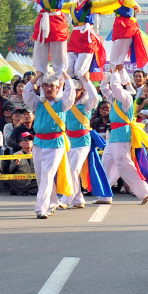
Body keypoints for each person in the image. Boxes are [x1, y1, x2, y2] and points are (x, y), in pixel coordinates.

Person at [23, 0, 100, 82]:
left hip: (57, 24)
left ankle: (60, 87)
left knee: (59, 61)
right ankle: (43, 89)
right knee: (39, 59)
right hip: (43, 22)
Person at [96, 69, 148, 205]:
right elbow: (105, 89)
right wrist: (107, 77)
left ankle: (145, 191)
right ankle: (105, 195)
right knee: (107, 163)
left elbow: (115, 87)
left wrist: (115, 72)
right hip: (113, 136)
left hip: (122, 135)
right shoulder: (116, 100)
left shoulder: (126, 98)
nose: (112, 86)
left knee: (123, 165)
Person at [22, 69, 75, 218]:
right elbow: (26, 90)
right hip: (39, 142)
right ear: (41, 87)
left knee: (47, 174)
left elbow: (70, 89)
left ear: (58, 87)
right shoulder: (37, 102)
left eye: (52, 85)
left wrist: (63, 72)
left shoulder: (62, 103)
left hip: (55, 142)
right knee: (41, 176)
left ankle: (40, 208)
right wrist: (39, 75)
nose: (49, 88)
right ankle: (52, 202)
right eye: (45, 85)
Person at [61, 0, 121, 78]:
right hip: (75, 37)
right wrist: (39, 0)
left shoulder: (92, 5)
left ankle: (86, 91)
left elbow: (105, 3)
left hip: (86, 38)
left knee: (79, 70)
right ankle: (72, 90)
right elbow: (57, 5)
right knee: (68, 69)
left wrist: (119, 0)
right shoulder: (72, 5)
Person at [61, 74, 99, 208]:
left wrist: (86, 80)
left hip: (83, 141)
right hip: (69, 141)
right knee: (72, 170)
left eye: (77, 90)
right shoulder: (66, 104)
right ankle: (78, 199)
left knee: (73, 169)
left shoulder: (86, 104)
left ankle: (67, 198)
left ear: (81, 90)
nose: (74, 93)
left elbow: (95, 96)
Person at [108, 0, 148, 85]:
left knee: (117, 62)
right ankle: (124, 85)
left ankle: (120, 84)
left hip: (125, 29)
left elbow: (131, 2)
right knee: (114, 62)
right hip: (119, 29)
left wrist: (136, 6)